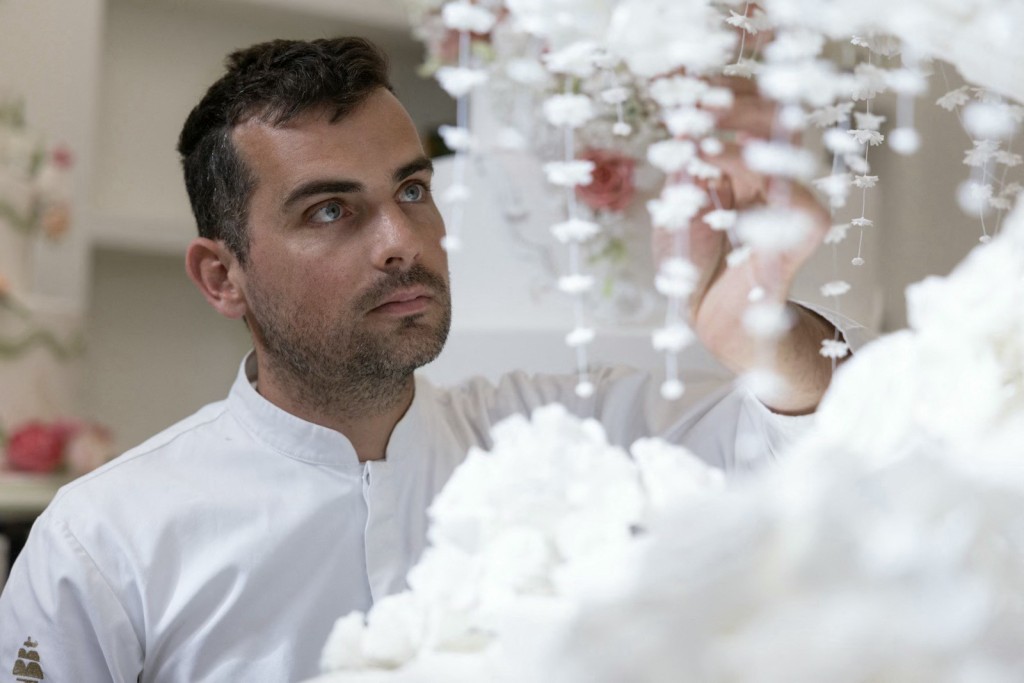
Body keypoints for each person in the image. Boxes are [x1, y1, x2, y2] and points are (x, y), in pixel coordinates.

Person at [0, 37, 851, 681]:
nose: (402, 242)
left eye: (412, 191)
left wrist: (758, 330)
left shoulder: (558, 440)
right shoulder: (103, 541)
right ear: (223, 276)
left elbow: (828, 442)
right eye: (331, 211)